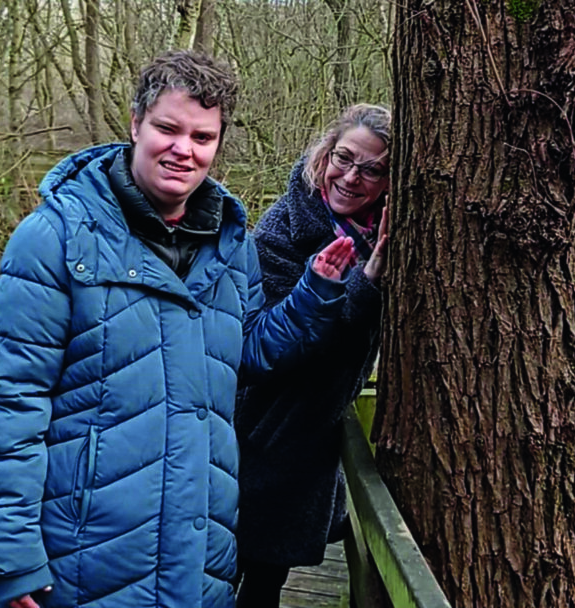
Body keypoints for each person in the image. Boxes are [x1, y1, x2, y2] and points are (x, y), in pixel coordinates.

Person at [0, 50, 357, 608]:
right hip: (80, 560)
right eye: (168, 128)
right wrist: (10, 559)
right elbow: (8, 405)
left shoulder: (230, 246)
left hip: (198, 554)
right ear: (135, 124)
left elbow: (245, 353)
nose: (184, 149)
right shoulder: (55, 238)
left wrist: (314, 294)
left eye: (202, 137)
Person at [234, 103, 391, 607]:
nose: (351, 177)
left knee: (266, 581)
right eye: (344, 158)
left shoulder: (380, 235)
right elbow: (275, 347)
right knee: (226, 573)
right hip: (260, 432)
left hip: (311, 440)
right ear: (325, 155)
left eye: (372, 169)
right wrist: (362, 288)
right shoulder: (284, 229)